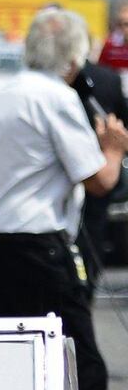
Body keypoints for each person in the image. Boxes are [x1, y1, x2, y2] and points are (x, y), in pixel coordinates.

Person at [0, 8, 127, 390]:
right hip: (37, 245)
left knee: (7, 364)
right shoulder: (56, 97)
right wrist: (112, 147)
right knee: (82, 368)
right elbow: (98, 179)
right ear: (74, 59)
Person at [72, 58, 128, 294]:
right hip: (94, 169)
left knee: (91, 229)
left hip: (91, 171)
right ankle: (87, 285)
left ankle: (86, 283)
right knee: (92, 228)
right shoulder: (108, 78)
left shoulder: (105, 79)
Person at [98, 0, 128, 97]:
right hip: (116, 94)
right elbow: (101, 70)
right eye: (123, 24)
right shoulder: (110, 45)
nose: (125, 29)